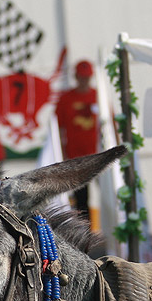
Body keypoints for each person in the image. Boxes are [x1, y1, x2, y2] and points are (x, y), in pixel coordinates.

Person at [54, 59, 100, 213]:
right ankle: (85, 231)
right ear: (76, 77)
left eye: (86, 77)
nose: (84, 81)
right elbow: (58, 129)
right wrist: (62, 153)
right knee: (81, 199)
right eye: (81, 77)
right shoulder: (66, 99)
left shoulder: (98, 96)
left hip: (98, 154)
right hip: (76, 157)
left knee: (106, 191)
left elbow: (110, 124)